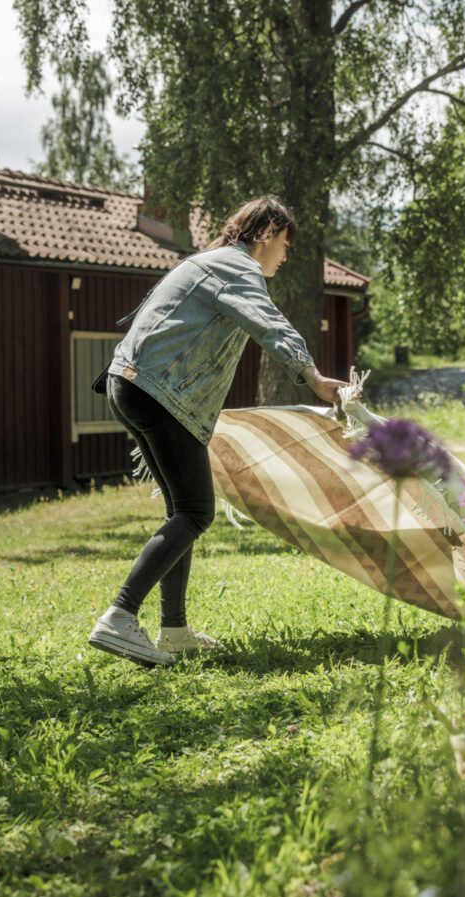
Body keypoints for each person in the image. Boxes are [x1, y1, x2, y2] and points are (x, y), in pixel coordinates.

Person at [90, 196, 349, 667]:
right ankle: (120, 617)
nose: (285, 257)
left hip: (130, 384)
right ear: (267, 233)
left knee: (181, 512)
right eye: (285, 245)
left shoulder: (208, 261)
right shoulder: (237, 267)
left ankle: (173, 630)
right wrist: (312, 376)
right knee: (194, 512)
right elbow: (268, 323)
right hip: (157, 391)